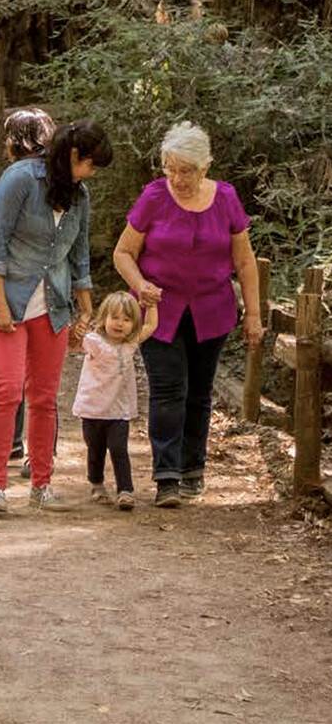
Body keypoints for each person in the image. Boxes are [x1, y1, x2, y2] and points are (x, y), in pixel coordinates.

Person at [113, 121, 264, 507]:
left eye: (185, 171)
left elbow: (245, 263)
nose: (176, 178)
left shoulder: (227, 199)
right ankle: (166, 476)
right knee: (168, 389)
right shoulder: (153, 197)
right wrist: (141, 284)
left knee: (198, 391)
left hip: (211, 310)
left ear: (205, 168)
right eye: (170, 168)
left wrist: (253, 314)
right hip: (157, 310)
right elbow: (123, 253)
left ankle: (192, 468)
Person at [0, 119, 113, 515]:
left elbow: (79, 256)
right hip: (5, 300)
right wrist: (0, 304)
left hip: (50, 306)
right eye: (90, 165)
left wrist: (86, 309)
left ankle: (42, 484)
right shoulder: (19, 179)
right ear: (73, 155)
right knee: (7, 390)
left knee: (45, 397)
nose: (92, 174)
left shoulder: (80, 196)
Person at [0, 109, 57, 475]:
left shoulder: (17, 177)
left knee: (20, 385)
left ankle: (26, 455)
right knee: (37, 388)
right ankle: (28, 453)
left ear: (15, 141)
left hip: (22, 290)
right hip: (34, 291)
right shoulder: (49, 178)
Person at [72, 291, 158, 511]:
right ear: (104, 318)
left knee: (119, 448)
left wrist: (151, 304)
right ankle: (97, 484)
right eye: (115, 318)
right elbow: (74, 343)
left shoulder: (129, 345)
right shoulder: (95, 341)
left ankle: (125, 490)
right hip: (92, 409)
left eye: (127, 319)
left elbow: (151, 326)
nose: (120, 324)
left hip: (118, 410)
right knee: (95, 449)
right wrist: (78, 328)